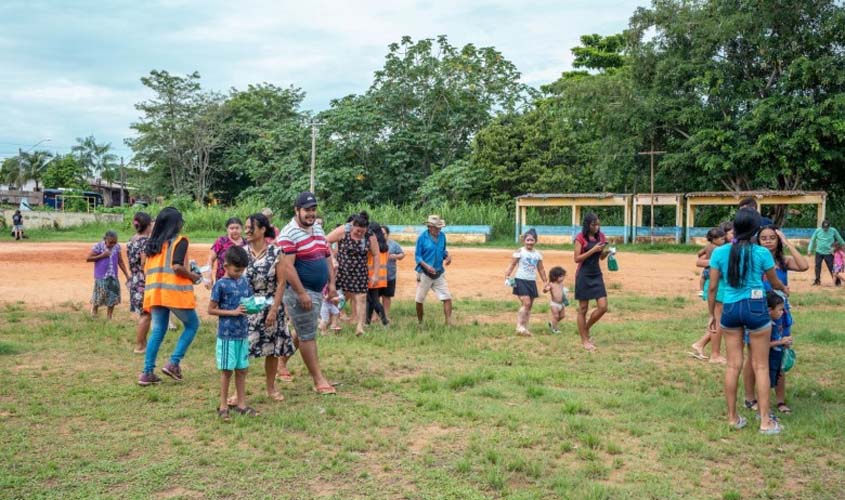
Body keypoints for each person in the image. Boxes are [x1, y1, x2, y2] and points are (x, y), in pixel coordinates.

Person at [708, 208, 787, 434]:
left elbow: (713, 287)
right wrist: (784, 288)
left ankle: (733, 418)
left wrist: (711, 314)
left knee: (733, 365)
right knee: (760, 366)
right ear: (755, 229)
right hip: (755, 307)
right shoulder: (761, 253)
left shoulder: (720, 253)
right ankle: (765, 422)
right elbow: (772, 282)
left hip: (731, 308)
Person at [742, 225, 807, 414]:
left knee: (779, 354)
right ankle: (749, 398)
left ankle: (779, 401)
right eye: (764, 238)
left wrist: (788, 242)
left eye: (772, 237)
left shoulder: (783, 261)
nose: (769, 241)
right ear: (758, 240)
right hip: (758, 311)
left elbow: (803, 266)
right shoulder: (754, 260)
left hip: (781, 313)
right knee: (753, 357)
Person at [277, 191, 337, 395]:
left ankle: (280, 363)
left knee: (303, 329)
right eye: (306, 210)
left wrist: (332, 283)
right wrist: (301, 293)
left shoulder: (317, 229)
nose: (311, 214)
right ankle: (319, 380)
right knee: (308, 335)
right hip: (299, 292)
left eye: (313, 209)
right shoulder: (288, 234)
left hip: (318, 290)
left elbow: (327, 256)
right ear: (297, 210)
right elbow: (287, 268)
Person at [138, 207, 202, 386]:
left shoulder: (152, 245)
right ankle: (174, 363)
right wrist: (193, 276)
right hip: (174, 293)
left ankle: (147, 372)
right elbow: (177, 266)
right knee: (192, 325)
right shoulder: (180, 241)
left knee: (158, 330)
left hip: (155, 293)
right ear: (176, 224)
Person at [240, 213, 294, 402]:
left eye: (250, 227)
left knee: (272, 349)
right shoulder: (241, 252)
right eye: (245, 227)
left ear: (262, 230)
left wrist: (273, 310)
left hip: (271, 307)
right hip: (247, 308)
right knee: (242, 350)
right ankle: (238, 392)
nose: (246, 231)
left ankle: (271, 388)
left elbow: (281, 283)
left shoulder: (276, 253)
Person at [208, 246, 256, 419]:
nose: (239, 273)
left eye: (242, 270)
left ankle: (241, 403)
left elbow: (249, 301)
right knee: (227, 371)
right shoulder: (220, 285)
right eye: (236, 270)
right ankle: (223, 405)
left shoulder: (244, 281)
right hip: (227, 335)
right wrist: (233, 312)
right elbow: (211, 310)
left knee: (242, 369)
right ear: (225, 266)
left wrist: (254, 307)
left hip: (243, 334)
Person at [326, 212, 380, 336]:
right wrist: (333, 258)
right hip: (342, 270)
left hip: (360, 271)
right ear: (352, 225)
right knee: (338, 297)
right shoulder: (343, 230)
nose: (360, 234)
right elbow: (326, 241)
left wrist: (375, 274)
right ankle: (334, 322)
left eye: (362, 232)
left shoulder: (370, 235)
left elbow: (376, 254)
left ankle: (360, 327)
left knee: (361, 298)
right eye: (357, 232)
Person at [690, 226, 727, 362]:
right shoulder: (719, 249)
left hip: (713, 275)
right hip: (716, 277)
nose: (724, 240)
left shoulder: (710, 247)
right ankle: (713, 352)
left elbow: (699, 256)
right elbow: (699, 261)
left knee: (720, 318)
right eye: (722, 238)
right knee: (718, 318)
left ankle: (700, 344)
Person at [573, 213, 609, 351]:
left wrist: (607, 252)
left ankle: (586, 328)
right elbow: (577, 259)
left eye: (598, 224)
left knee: (603, 307)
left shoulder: (601, 236)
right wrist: (593, 249)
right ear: (587, 225)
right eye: (594, 225)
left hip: (596, 274)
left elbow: (601, 257)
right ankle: (584, 340)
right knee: (583, 309)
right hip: (583, 275)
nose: (597, 227)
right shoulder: (580, 238)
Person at [505, 228, 548, 336]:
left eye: (532, 240)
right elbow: (512, 264)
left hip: (531, 281)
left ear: (535, 241)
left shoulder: (538, 254)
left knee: (529, 306)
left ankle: (525, 327)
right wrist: (507, 274)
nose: (529, 242)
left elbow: (541, 269)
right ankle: (519, 326)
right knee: (526, 303)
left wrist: (545, 281)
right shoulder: (520, 251)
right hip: (520, 280)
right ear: (524, 240)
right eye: (527, 240)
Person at [415, 215, 453, 326]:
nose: (438, 230)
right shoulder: (422, 238)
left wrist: (448, 257)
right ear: (429, 227)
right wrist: (427, 266)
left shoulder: (442, 236)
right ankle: (420, 323)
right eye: (436, 228)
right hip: (424, 273)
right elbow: (417, 257)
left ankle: (448, 323)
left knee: (447, 298)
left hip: (438, 272)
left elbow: (443, 251)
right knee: (419, 300)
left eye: (440, 228)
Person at [86, 230, 130, 319]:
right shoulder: (98, 246)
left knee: (113, 295)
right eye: (110, 242)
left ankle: (109, 316)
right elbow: (88, 258)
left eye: (115, 242)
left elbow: (120, 261)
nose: (113, 244)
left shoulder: (117, 247)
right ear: (105, 239)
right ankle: (94, 311)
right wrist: (102, 255)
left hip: (113, 275)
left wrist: (127, 275)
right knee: (100, 294)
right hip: (101, 276)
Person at [127, 212, 153, 353]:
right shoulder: (145, 242)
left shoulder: (132, 240)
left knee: (143, 314)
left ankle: (143, 343)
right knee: (146, 314)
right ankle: (140, 345)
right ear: (148, 226)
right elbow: (144, 263)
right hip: (143, 280)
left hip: (134, 279)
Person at [206, 217, 246, 289]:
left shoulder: (246, 243)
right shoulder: (221, 241)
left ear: (241, 229)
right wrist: (209, 276)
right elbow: (210, 259)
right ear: (227, 229)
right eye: (231, 228)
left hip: (242, 281)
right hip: (223, 281)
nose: (234, 230)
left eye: (237, 228)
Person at [366, 223, 390, 327]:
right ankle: (367, 322)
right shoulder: (384, 245)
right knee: (372, 299)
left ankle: (385, 321)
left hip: (371, 275)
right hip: (381, 276)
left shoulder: (372, 244)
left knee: (373, 300)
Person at [808, 219, 844, 286]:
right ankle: (817, 281)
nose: (825, 229)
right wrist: (809, 249)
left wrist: (843, 246)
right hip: (819, 251)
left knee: (831, 267)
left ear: (829, 226)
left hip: (829, 253)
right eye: (824, 228)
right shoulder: (818, 230)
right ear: (822, 226)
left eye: (826, 228)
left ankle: (837, 282)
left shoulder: (833, 230)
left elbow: (840, 239)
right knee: (817, 266)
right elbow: (812, 240)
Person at [380, 226, 405, 321]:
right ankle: (375, 316)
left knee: (387, 296)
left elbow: (402, 254)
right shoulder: (375, 244)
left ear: (388, 234)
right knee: (375, 297)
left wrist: (396, 256)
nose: (381, 236)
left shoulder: (394, 244)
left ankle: (386, 315)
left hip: (390, 276)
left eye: (383, 234)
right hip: (378, 276)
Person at [545, 266, 568, 334]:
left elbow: (561, 292)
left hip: (561, 304)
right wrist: (546, 289)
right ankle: (554, 329)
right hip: (554, 304)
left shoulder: (561, 284)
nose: (563, 278)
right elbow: (545, 290)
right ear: (555, 277)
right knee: (556, 316)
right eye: (561, 276)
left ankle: (552, 323)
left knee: (562, 316)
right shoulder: (551, 284)